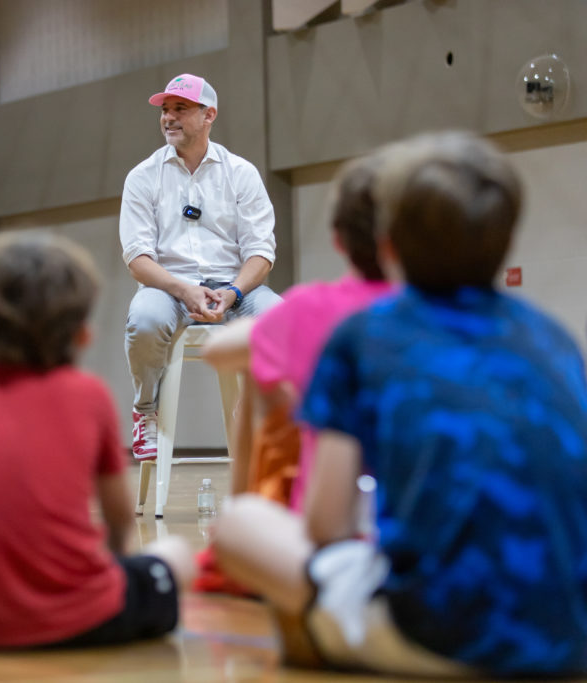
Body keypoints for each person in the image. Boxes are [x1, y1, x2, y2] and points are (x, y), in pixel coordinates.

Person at [213, 131, 587, 677]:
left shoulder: (365, 335)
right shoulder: (552, 337)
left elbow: (324, 529)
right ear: (506, 241)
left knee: (242, 523)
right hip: (568, 636)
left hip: (439, 635)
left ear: (387, 246)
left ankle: (329, 640)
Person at [0, 232, 196, 649]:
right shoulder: (88, 396)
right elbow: (118, 520)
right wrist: (112, 572)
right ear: (83, 335)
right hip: (86, 619)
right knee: (177, 556)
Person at [194, 151, 394, 596]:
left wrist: (252, 333)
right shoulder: (485, 322)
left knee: (264, 382)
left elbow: (217, 351)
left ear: (339, 240)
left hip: (347, 554)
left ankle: (247, 504)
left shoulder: (316, 308)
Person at [120, 73, 282, 461]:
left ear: (208, 115)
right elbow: (137, 259)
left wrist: (233, 292)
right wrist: (184, 290)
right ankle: (146, 412)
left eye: (181, 109)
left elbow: (262, 251)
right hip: (168, 288)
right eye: (165, 110)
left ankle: (260, 413)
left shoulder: (240, 173)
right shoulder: (143, 177)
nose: (169, 118)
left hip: (237, 288)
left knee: (281, 320)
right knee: (144, 320)